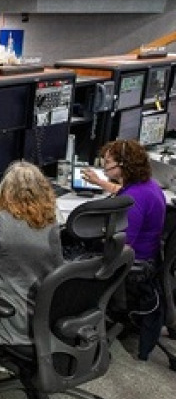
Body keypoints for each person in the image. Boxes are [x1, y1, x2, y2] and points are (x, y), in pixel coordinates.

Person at [0, 161, 64, 389]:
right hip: (43, 318)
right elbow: (59, 267)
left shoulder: (1, 223)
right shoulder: (52, 222)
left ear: (6, 191)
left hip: (9, 322)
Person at [82, 139, 166, 359]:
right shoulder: (148, 186)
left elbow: (122, 247)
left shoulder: (134, 200)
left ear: (122, 165)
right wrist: (101, 182)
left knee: (72, 250)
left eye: (108, 163)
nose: (105, 166)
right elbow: (122, 192)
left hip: (133, 267)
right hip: (149, 258)